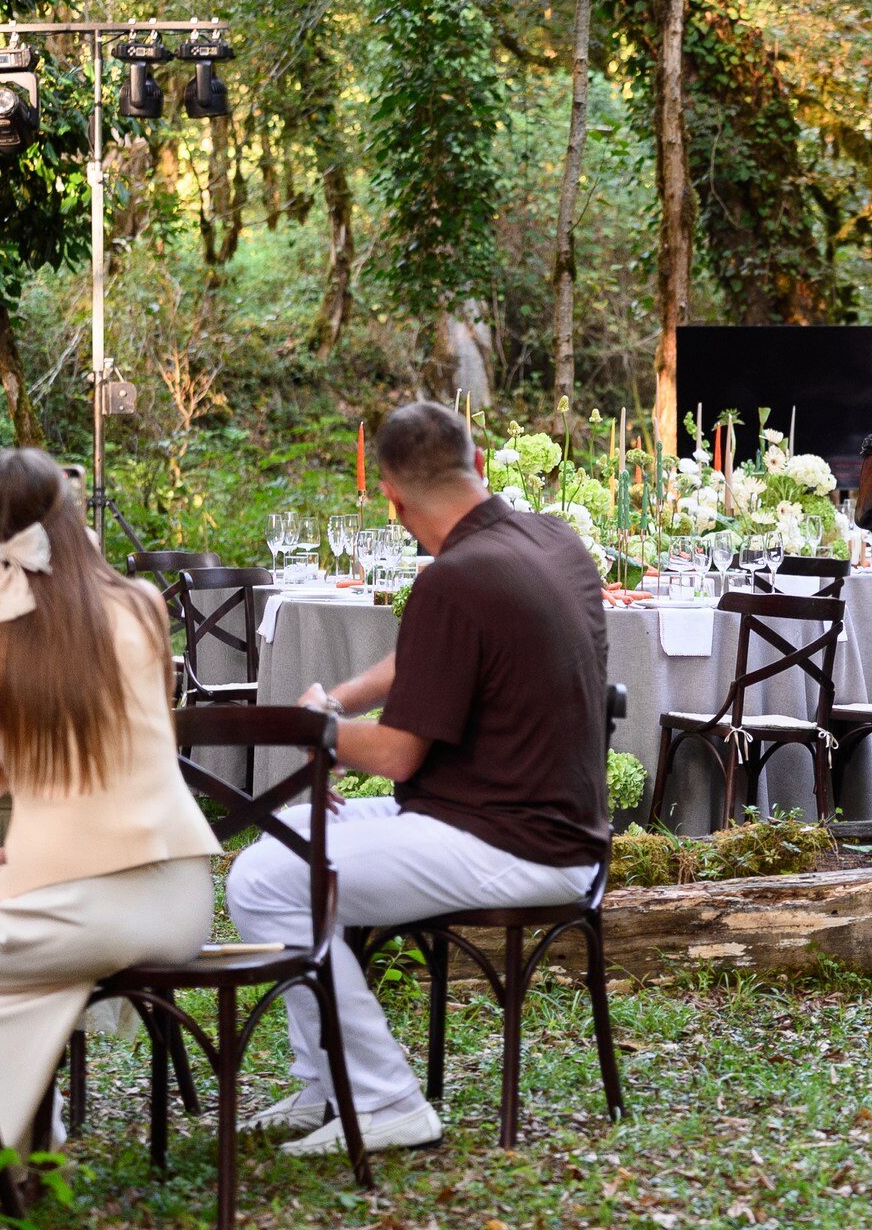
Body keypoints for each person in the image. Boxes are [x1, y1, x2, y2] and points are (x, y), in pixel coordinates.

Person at [227, 401, 609, 1156]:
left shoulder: (456, 578)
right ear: (479, 464)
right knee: (279, 846)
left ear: (392, 498)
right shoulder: (552, 540)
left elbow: (399, 756)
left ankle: (384, 1101)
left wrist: (315, 733)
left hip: (514, 843)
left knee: (265, 881)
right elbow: (422, 662)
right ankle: (327, 1082)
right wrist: (338, 703)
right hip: (539, 825)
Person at [0, 447, 220, 1194]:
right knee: (12, 970)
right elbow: (142, 750)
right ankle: (32, 1148)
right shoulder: (143, 604)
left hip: (79, 910)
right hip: (181, 899)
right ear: (68, 518)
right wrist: (21, 854)